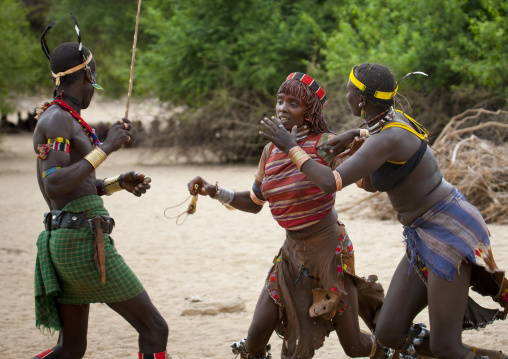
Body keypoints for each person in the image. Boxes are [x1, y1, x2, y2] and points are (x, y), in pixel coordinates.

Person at [262, 63, 508, 359]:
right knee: (388, 332)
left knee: (446, 347)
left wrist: (291, 146)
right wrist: (356, 132)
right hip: (422, 234)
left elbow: (329, 182)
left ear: (363, 100)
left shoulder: (387, 139)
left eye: (351, 90)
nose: (347, 96)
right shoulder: (389, 122)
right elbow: (375, 151)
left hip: (448, 232)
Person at [187, 72, 386, 359]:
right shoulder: (270, 151)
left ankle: (397, 350)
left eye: (293, 103)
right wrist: (213, 190)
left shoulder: (327, 144)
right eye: (280, 100)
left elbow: (375, 161)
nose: (282, 107)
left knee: (354, 348)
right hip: (291, 256)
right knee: (255, 338)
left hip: (329, 252)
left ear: (311, 111)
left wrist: (359, 134)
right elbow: (255, 202)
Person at [31, 18, 169, 359]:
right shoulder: (59, 119)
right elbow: (55, 184)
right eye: (95, 76)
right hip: (82, 244)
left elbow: (74, 187)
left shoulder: (60, 116)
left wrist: (117, 184)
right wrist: (106, 147)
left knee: (71, 349)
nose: (95, 83)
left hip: (66, 239)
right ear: (88, 75)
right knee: (154, 329)